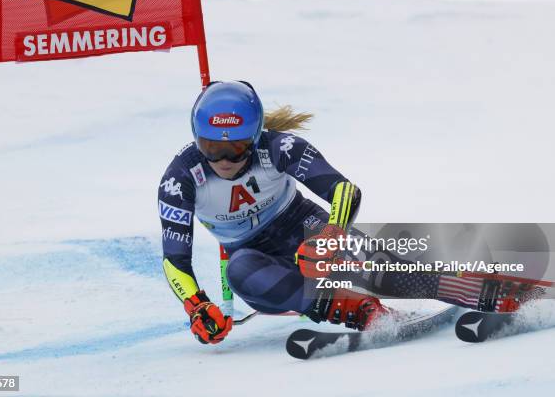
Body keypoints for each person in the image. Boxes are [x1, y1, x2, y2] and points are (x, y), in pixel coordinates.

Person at [158, 81, 537, 345]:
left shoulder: (279, 147)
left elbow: (343, 190)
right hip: (260, 266)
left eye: (236, 148)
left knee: (382, 271)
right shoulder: (180, 179)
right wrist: (198, 306)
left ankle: (494, 292)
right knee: (239, 269)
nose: (223, 160)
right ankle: (362, 312)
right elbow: (175, 261)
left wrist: (331, 236)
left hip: (303, 227)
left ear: (256, 136)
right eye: (211, 148)